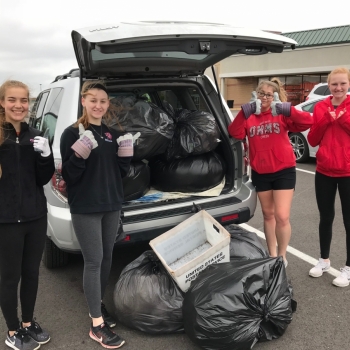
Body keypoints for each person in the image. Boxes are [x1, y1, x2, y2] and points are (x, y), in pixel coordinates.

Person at [60, 81, 138, 349]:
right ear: (83, 101)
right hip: (86, 206)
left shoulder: (112, 133)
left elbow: (119, 173)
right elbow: (70, 176)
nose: (98, 105)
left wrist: (126, 154)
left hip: (111, 203)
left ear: (107, 105)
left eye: (103, 101)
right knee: (93, 261)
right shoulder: (71, 134)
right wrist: (81, 151)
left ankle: (98, 306)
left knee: (106, 258)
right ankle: (96, 325)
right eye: (92, 100)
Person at [228, 78, 313, 267]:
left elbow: (308, 121)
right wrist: (244, 112)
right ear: (255, 95)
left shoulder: (280, 113)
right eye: (261, 93)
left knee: (282, 216)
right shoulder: (249, 116)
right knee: (268, 215)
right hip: (261, 171)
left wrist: (287, 109)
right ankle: (272, 255)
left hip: (284, 170)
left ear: (274, 96)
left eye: (268, 94)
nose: (264, 97)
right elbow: (235, 133)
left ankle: (282, 255)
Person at [0, 80, 54, 350]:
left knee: (31, 273)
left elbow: (43, 179)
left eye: (23, 100)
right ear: (2, 103)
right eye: (12, 100)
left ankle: (27, 323)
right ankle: (12, 330)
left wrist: (46, 156)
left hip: (35, 217)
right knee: (10, 277)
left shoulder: (36, 134)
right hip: (6, 221)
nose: (18, 105)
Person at [307, 67, 350, 287]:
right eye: (334, 84)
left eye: (342, 83)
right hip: (324, 170)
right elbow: (313, 139)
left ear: (348, 84)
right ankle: (323, 259)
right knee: (326, 217)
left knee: (348, 219)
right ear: (329, 85)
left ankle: (349, 267)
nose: (338, 88)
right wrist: (326, 119)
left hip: (347, 172)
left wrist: (341, 119)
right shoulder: (320, 106)